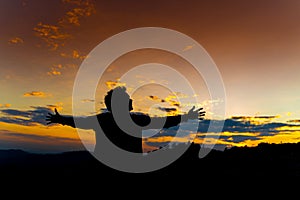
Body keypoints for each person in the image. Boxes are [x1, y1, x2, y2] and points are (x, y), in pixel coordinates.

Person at [46, 86, 205, 153]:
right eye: (128, 98)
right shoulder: (137, 119)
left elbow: (78, 122)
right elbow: (164, 122)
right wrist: (187, 117)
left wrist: (60, 119)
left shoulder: (103, 119)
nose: (131, 101)